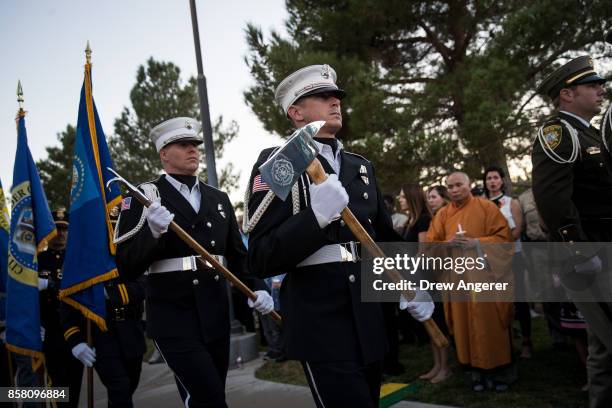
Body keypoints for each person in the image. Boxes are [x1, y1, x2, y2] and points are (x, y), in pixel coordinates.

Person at [245, 64, 434, 408]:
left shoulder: (360, 166)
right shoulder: (279, 162)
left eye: (337, 96)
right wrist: (315, 218)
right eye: (322, 96)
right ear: (296, 112)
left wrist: (412, 280)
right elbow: (260, 255)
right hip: (320, 317)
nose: (335, 102)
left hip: (368, 312)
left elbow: (384, 238)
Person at [115, 117, 274, 407]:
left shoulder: (218, 198)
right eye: (183, 145)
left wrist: (257, 287)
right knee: (207, 398)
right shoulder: (144, 197)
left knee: (211, 395)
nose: (193, 150)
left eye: (195, 145)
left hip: (214, 312)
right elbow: (126, 265)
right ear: (164, 153)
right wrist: (152, 232)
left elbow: (238, 257)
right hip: (172, 316)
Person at [532, 55, 611, 407]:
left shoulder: (590, 132)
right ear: (567, 94)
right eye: (592, 85)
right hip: (590, 254)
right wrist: (579, 252)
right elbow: (552, 200)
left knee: (603, 346)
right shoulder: (559, 133)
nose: (601, 89)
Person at [427, 172, 514, 391]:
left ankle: (500, 372)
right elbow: (430, 247)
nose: (454, 189)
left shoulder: (487, 208)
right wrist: (449, 243)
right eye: (450, 186)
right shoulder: (442, 215)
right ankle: (475, 373)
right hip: (457, 281)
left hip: (485, 278)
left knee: (490, 323)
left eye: (459, 185)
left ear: (469, 184)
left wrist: (477, 243)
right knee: (464, 325)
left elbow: (504, 239)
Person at [61, 273, 147, 407]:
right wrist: (75, 340)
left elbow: (143, 285)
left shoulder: (126, 255)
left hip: (130, 331)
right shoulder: (82, 261)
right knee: (120, 387)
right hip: (100, 334)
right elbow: (68, 301)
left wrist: (108, 293)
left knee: (128, 386)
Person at [399, 184, 451, 384]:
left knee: (436, 319)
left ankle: (445, 366)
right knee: (426, 320)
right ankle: (437, 364)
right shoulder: (410, 221)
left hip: (426, 276)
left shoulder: (423, 220)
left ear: (412, 197)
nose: (400, 200)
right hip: (414, 275)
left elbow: (422, 252)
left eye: (403, 196)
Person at [483, 165, 532, 359]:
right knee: (497, 300)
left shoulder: (511, 203)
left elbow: (517, 230)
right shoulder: (480, 203)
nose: (492, 181)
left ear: (502, 181)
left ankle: (527, 341)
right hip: (489, 259)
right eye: (488, 178)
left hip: (513, 256)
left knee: (519, 298)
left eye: (495, 177)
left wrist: (498, 246)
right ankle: (505, 340)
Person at [37, 209, 83, 406]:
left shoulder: (76, 259)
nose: (61, 233)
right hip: (50, 331)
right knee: (56, 384)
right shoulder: (38, 260)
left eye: (65, 229)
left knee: (74, 383)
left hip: (74, 330)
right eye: (57, 228)